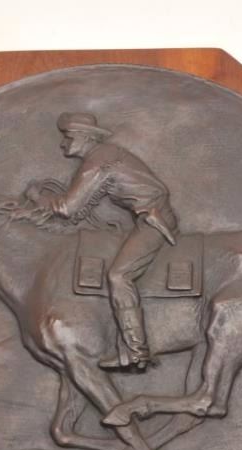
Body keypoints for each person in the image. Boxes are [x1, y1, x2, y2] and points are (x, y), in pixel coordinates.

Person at [40, 112, 179, 371]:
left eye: (68, 137)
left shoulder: (98, 161)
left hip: (153, 221)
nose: (62, 143)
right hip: (143, 218)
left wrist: (38, 198)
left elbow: (69, 208)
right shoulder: (105, 155)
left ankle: (137, 352)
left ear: (85, 137)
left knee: (119, 276)